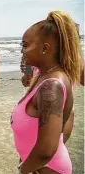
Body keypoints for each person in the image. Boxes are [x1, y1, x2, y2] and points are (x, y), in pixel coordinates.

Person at [11, 10, 82, 174]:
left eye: (25, 45)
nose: (22, 51)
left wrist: (25, 169)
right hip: (36, 164)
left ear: (45, 49)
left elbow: (46, 150)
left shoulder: (51, 87)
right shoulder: (42, 74)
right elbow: (26, 80)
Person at [19, 22, 84, 144]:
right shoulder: (37, 57)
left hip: (59, 109)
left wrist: (76, 54)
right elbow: (26, 82)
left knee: (53, 148)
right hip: (36, 108)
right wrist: (27, 68)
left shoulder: (71, 60)